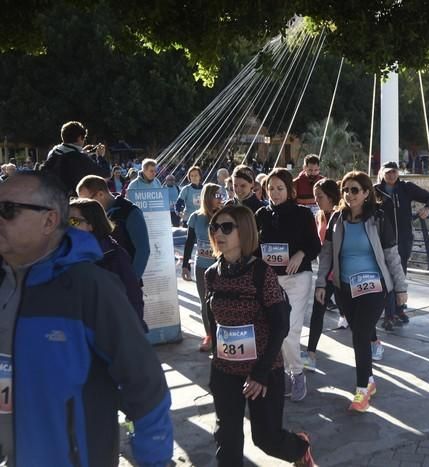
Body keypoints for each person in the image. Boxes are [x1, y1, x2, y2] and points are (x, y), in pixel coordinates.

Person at [0, 172, 172, 466]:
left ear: (50, 220)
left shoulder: (90, 286)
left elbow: (143, 380)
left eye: (8, 210)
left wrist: (154, 459)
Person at [204, 204, 314, 466]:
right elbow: (214, 321)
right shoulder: (211, 275)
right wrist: (215, 364)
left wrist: (261, 373)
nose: (219, 232)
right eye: (214, 227)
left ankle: (300, 449)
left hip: (262, 369)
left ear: (243, 232)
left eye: (227, 227)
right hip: (225, 369)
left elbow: (280, 326)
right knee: (227, 439)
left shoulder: (261, 273)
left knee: (266, 439)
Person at [315, 171, 407, 412]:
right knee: (360, 334)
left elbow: (392, 256)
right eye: (346, 189)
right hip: (344, 288)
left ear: (367, 193)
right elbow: (326, 255)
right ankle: (370, 380)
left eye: (355, 190)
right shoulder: (337, 218)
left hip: (374, 288)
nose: (349, 194)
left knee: (360, 334)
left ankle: (362, 391)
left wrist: (401, 289)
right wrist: (321, 284)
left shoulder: (378, 218)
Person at [256, 168, 321, 402]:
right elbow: (254, 248)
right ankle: (283, 371)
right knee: (275, 329)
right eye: (270, 188)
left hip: (297, 279)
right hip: (270, 280)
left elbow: (315, 245)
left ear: (290, 190)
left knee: (289, 329)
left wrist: (300, 254)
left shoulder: (303, 214)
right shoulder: (261, 214)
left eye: (279, 188)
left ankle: (297, 373)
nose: (274, 193)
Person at [375, 161, 429, 327]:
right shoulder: (375, 190)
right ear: (381, 173)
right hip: (382, 240)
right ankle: (389, 314)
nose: (391, 175)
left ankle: (399, 308)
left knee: (400, 274)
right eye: (388, 172)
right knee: (387, 276)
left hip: (403, 239)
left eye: (394, 172)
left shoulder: (406, 187)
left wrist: (427, 209)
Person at [68, 198, 147, 331]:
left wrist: (133, 332)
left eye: (73, 221)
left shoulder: (114, 255)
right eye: (64, 221)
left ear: (91, 225)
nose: (67, 226)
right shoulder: (63, 254)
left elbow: (133, 297)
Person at [301, 178, 347, 371]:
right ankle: (311, 354)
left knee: (354, 312)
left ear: (331, 196)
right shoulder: (320, 216)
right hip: (326, 271)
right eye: (314, 197)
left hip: (345, 273)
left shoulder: (344, 216)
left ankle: (373, 341)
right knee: (318, 312)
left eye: (319, 197)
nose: (316, 200)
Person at [76, 175, 150, 281]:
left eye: (86, 202)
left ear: (101, 194)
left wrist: (131, 281)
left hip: (124, 285)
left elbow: (143, 250)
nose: (83, 207)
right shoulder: (92, 215)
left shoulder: (130, 212)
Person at [182, 183, 225, 351]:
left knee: (222, 301)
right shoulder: (195, 217)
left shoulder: (224, 215)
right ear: (208, 197)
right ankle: (209, 335)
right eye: (216, 195)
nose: (220, 198)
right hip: (202, 266)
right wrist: (185, 265)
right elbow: (189, 242)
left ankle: (222, 334)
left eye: (221, 195)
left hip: (222, 266)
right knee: (205, 302)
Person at [41, 121, 110, 195]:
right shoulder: (79, 158)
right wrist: (100, 156)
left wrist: (85, 153)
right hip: (70, 201)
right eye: (84, 139)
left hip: (50, 198)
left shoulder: (53, 152)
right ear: (80, 138)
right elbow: (105, 174)